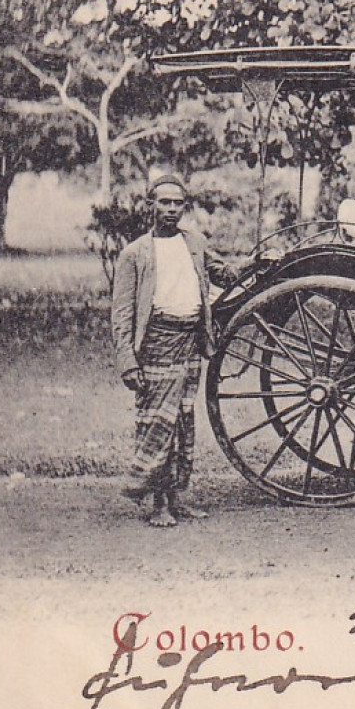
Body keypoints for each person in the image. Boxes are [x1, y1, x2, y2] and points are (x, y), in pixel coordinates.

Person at [110, 175, 237, 527]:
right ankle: (157, 505)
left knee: (182, 422)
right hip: (155, 345)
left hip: (189, 342)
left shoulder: (193, 243)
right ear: (150, 205)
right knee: (157, 424)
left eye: (176, 203)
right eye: (163, 202)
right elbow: (121, 313)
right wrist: (127, 363)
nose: (169, 209)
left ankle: (176, 499)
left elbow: (223, 273)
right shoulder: (135, 253)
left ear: (184, 207)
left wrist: (258, 264)